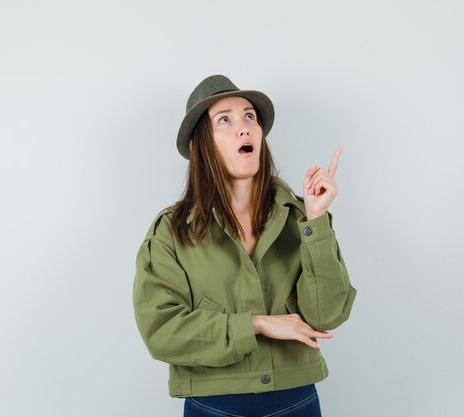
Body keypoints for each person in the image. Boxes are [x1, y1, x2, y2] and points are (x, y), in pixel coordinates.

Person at [133, 75, 356, 417]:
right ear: (198, 146)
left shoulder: (303, 219)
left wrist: (315, 221)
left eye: (249, 116)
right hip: (213, 405)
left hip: (296, 400)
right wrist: (256, 323)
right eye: (225, 119)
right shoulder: (171, 231)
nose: (244, 128)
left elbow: (328, 315)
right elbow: (161, 332)